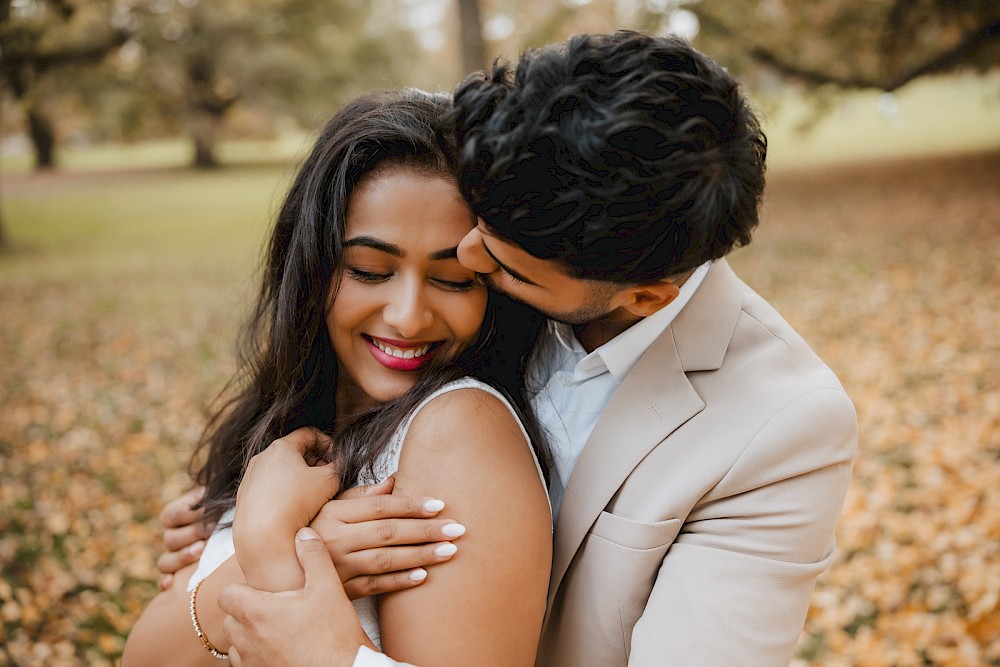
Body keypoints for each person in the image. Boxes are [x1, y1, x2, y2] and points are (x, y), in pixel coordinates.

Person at [162, 31, 859, 666]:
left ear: (643, 296)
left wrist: (331, 651)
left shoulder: (781, 426)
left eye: (484, 268)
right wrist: (242, 532)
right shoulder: (486, 263)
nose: (465, 254)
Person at [122, 89, 554, 666]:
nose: (407, 316)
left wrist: (277, 546)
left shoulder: (461, 431)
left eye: (453, 279)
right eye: (369, 270)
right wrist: (270, 541)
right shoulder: (285, 429)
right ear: (313, 264)